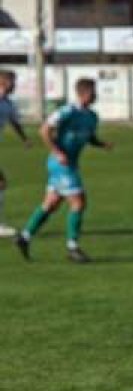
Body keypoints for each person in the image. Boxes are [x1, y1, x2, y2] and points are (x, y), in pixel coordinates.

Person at [14, 78, 111, 263]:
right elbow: (44, 130)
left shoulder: (92, 116)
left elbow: (90, 138)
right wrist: (57, 152)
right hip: (61, 164)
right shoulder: (67, 111)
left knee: (51, 204)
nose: (96, 95)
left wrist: (101, 144)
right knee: (78, 202)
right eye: (93, 92)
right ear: (84, 93)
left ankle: (24, 237)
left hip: (70, 163)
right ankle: (72, 247)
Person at [0, 70, 31, 237]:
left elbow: (14, 122)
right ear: (4, 83)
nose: (15, 86)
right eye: (13, 82)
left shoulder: (8, 104)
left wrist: (24, 138)